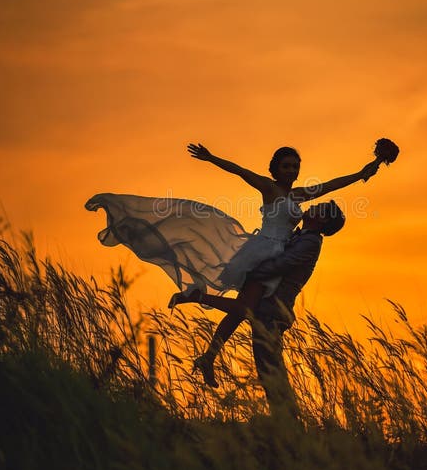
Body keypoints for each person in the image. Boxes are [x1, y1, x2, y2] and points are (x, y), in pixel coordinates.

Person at [168, 142, 391, 384]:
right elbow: (240, 171)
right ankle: (196, 299)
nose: (291, 170)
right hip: (263, 250)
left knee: (242, 310)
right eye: (286, 166)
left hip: (279, 252)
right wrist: (212, 158)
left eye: (295, 166)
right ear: (275, 169)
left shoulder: (298, 195)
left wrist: (361, 173)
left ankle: (208, 357)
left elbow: (330, 185)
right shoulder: (268, 187)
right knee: (245, 309)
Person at [239, 199, 346, 419]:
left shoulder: (310, 242)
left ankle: (288, 423)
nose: (313, 206)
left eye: (319, 207)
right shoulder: (302, 236)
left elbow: (282, 264)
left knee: (270, 369)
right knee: (268, 368)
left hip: (274, 310)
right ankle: (286, 422)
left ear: (322, 218)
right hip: (270, 308)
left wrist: (248, 272)